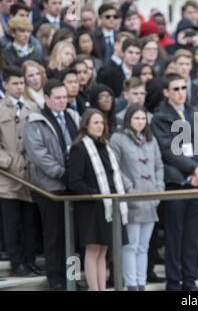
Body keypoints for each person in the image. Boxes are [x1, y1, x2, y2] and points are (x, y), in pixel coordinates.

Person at [151, 73, 198, 291]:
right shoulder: (160, 117)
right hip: (176, 183)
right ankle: (174, 283)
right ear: (166, 92)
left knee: (193, 237)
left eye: (183, 88)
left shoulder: (194, 113)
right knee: (175, 237)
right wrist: (192, 169)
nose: (181, 92)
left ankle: (190, 281)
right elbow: (168, 151)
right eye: (175, 89)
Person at [23, 79, 80, 290]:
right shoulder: (35, 122)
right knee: (55, 236)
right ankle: (56, 278)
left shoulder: (73, 116)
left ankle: (72, 278)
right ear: (46, 98)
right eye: (57, 98)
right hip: (51, 188)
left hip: (74, 187)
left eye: (65, 97)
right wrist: (62, 173)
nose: (62, 101)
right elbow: (39, 156)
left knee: (73, 238)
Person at [68, 108, 129, 291]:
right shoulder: (79, 148)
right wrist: (95, 194)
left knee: (103, 250)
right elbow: (75, 181)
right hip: (92, 206)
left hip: (109, 205)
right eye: (95, 122)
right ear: (86, 125)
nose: (100, 126)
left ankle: (102, 288)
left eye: (102, 122)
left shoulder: (106, 146)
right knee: (93, 250)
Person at [110, 103, 164, 291]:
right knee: (130, 245)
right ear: (128, 120)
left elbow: (158, 166)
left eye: (143, 118)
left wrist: (159, 188)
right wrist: (129, 187)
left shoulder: (151, 139)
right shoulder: (118, 139)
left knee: (144, 245)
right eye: (136, 118)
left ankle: (141, 283)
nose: (140, 122)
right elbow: (114, 166)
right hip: (131, 199)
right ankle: (130, 283)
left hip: (150, 199)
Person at [0, 66, 42, 277]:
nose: (19, 87)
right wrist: (7, 161)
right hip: (7, 176)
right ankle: (17, 262)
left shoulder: (32, 108)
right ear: (5, 84)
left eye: (21, 83)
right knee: (12, 221)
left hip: (30, 175)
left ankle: (30, 260)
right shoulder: (0, 109)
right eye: (14, 83)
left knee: (29, 222)